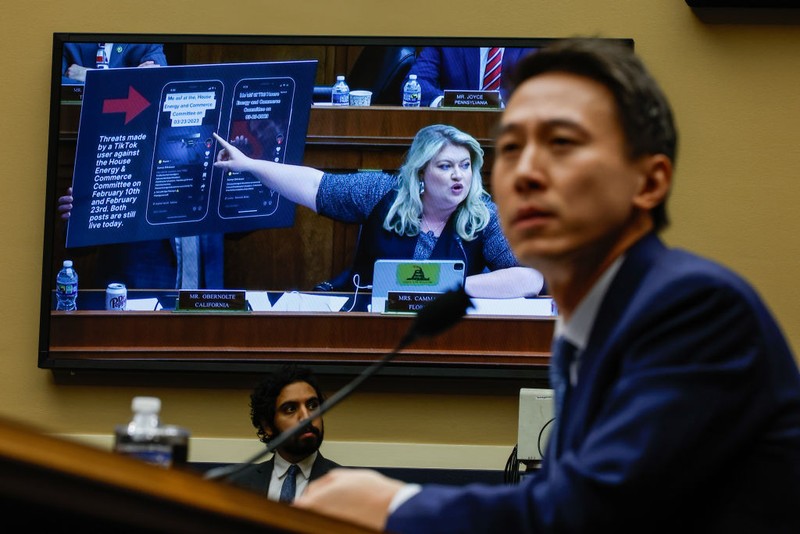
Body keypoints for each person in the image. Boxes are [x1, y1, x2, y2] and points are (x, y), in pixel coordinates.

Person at [291, 38, 800, 532]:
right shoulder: (590, 317)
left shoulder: (694, 309)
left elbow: (591, 508)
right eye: (512, 147)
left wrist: (397, 505)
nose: (527, 173)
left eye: (563, 145)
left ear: (648, 182)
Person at [213, 124, 544, 299]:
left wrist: (452, 288)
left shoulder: (482, 213)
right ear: (420, 174)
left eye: (464, 166)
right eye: (446, 166)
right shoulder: (383, 192)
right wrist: (251, 165)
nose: (459, 176)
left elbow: (530, 277)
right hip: (365, 315)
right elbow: (315, 186)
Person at [227, 364, 340, 502]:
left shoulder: (345, 485)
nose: (306, 417)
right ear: (268, 426)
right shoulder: (239, 484)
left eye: (312, 406)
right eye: (291, 409)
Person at [406, 46, 537, 107]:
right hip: (453, 131)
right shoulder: (448, 37)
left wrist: (493, 102)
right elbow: (416, 82)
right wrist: (444, 102)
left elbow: (539, 90)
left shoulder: (532, 42)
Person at [62, 42, 167, 84]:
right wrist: (133, 77)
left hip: (133, 121)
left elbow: (159, 80)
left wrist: (93, 77)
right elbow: (54, 83)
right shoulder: (68, 39)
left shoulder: (147, 38)